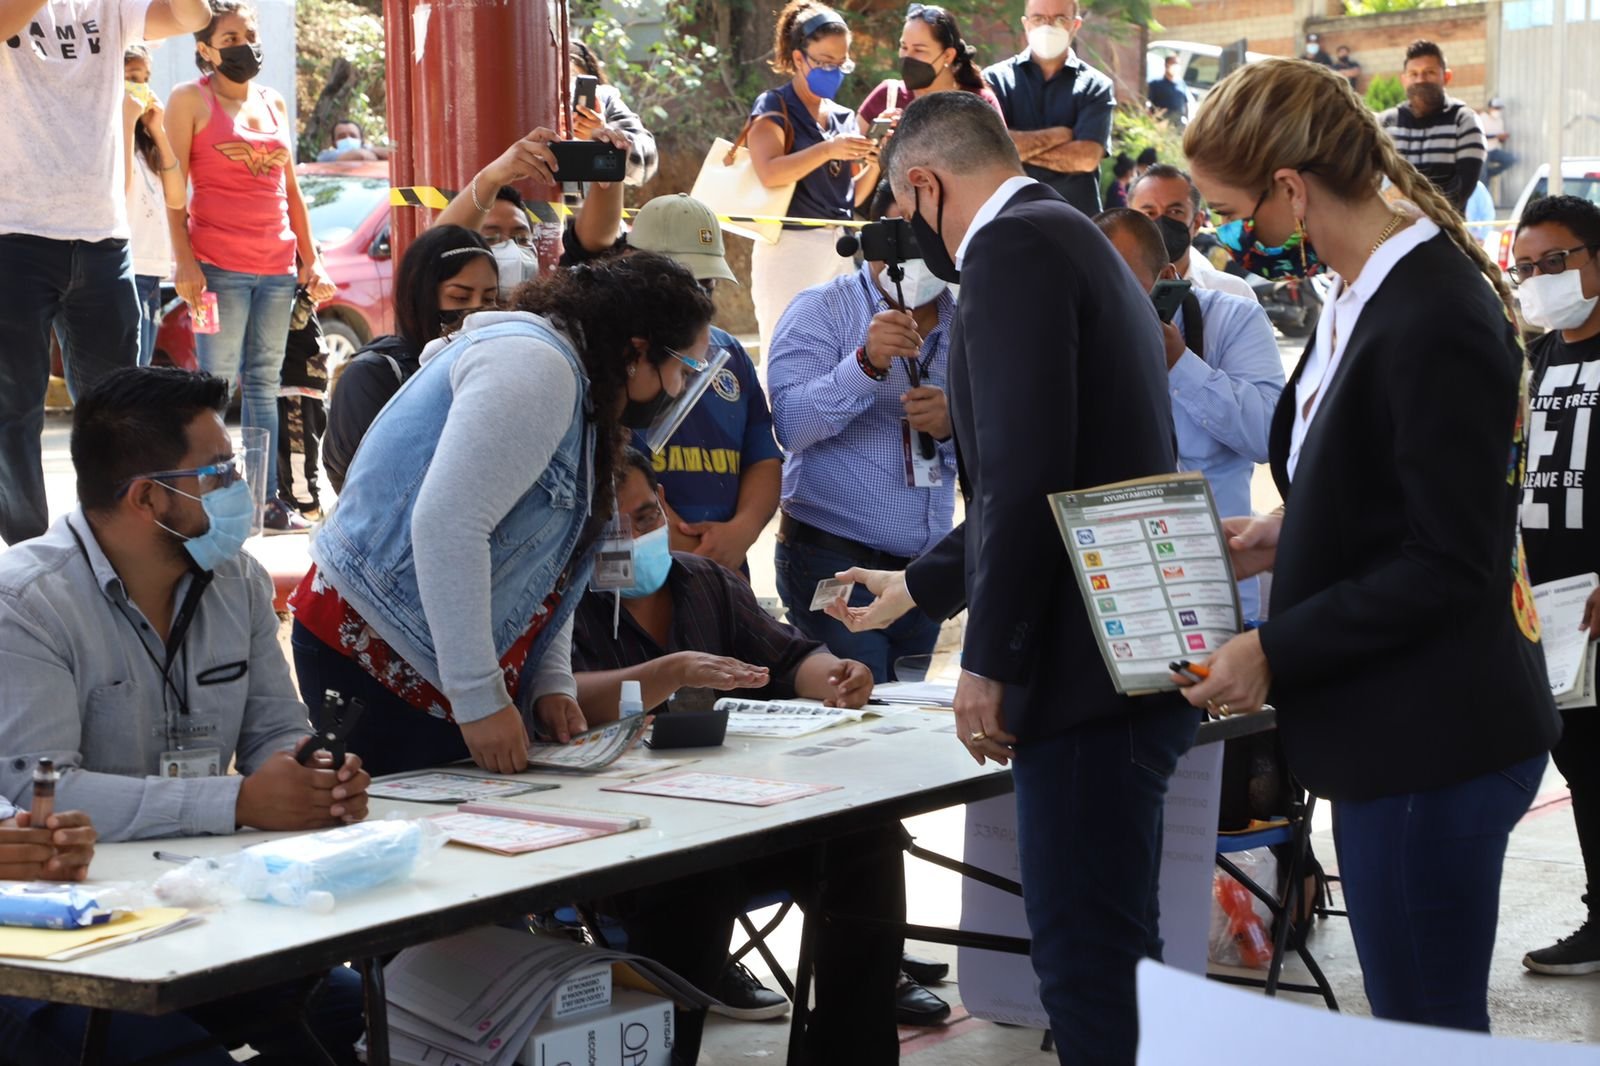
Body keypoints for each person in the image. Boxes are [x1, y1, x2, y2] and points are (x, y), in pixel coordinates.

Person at [1179, 58, 1559, 1032]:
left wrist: (1274, 649)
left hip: (1433, 735)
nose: (1229, 236)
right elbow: (1378, 483)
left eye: (1235, 211)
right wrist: (1278, 536)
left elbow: (1449, 559)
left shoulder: (1431, 312)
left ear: (1291, 189)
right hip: (1390, 725)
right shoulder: (1357, 290)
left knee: (1424, 1026)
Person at [837, 92, 1196, 1065]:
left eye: (904, 211)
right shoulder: (1068, 234)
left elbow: (1029, 468)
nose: (911, 235)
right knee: (1110, 954)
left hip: (1085, 674)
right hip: (1123, 652)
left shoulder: (1009, 251)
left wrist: (986, 661)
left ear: (923, 185)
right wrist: (921, 582)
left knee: (1088, 967)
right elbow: (1049, 470)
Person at [0, 366, 369, 1064]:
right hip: (72, 937)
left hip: (196, 904)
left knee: (360, 1010)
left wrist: (312, 770)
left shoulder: (238, 580)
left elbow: (271, 728)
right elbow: (40, 794)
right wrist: (238, 801)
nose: (239, 487)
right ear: (147, 498)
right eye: (219, 472)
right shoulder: (28, 602)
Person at [560, 449, 945, 1056]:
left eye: (645, 515)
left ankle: (853, 1048)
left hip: (746, 814)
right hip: (640, 843)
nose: (637, 536)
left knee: (865, 842)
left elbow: (790, 657)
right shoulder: (563, 605)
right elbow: (559, 698)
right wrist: (672, 672)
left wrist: (835, 674)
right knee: (691, 891)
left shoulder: (703, 580)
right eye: (616, 528)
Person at [290, 254, 717, 778]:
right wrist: (480, 700)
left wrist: (549, 682)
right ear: (637, 350)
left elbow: (548, 560)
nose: (678, 388)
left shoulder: (578, 382)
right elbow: (447, 526)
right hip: (376, 652)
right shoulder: (536, 366)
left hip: (431, 655)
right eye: (682, 368)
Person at [0, 0, 211, 546]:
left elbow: (191, 17)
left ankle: (108, 544)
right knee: (12, 411)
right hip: (13, 231)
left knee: (118, 413)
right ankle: (28, 553)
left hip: (103, 237)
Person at [767, 182, 957, 681]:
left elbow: (1000, 449)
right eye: (902, 233)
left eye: (928, 233)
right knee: (858, 702)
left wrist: (955, 427)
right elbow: (790, 427)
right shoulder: (820, 310)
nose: (916, 249)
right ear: (871, 237)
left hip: (922, 574)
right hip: (834, 560)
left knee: (902, 722)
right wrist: (865, 365)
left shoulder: (969, 325)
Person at [164, 1, 337, 533]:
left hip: (277, 268)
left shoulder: (274, 101)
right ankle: (214, 501)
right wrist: (185, 264)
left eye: (250, 33)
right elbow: (174, 196)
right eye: (231, 35)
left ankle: (262, 503)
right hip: (217, 268)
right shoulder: (188, 100)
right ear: (206, 49)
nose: (244, 44)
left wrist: (312, 258)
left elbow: (291, 191)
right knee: (214, 386)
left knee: (264, 384)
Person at [560, 192, 783, 574]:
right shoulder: (600, 358)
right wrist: (683, 544)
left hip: (725, 571)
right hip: (637, 570)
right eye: (680, 281)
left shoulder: (728, 353)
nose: (694, 298)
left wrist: (740, 532)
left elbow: (762, 456)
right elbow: (606, 469)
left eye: (706, 284)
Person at [1094, 208, 1284, 619]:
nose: (1107, 300)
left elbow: (1270, 436)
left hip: (1219, 579)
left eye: (1122, 284)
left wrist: (1180, 363)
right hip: (1121, 584)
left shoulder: (1234, 319)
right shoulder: (1084, 334)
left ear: (1166, 279)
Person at [1511, 196, 1600, 976]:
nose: (1541, 280)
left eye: (1556, 262)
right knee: (1581, 761)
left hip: (1599, 599)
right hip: (1550, 601)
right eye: (1526, 268)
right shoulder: (1539, 358)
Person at [322, 225, 498, 492]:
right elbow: (369, 494)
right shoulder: (372, 378)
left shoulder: (494, 368)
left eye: (490, 299)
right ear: (421, 298)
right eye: (460, 297)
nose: (477, 312)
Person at [746, 1, 879, 350]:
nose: (833, 71)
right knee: (785, 349)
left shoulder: (842, 116)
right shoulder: (774, 106)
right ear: (798, 58)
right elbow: (769, 172)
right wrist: (828, 150)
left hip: (839, 248)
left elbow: (849, 199)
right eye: (824, 62)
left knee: (843, 349)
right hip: (789, 248)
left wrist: (876, 163)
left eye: (841, 63)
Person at [982, 0, 1114, 217]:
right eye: (1039, 18)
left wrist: (1015, 150)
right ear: (1025, 24)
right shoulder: (994, 81)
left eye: (1060, 18)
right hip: (1008, 220)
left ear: (1075, 25)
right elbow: (990, 150)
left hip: (1075, 222)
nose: (1048, 26)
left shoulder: (1096, 85)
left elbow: (1086, 158)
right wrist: (1059, 135)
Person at [123, 45, 187, 368]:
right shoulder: (112, 137)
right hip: (124, 270)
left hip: (150, 272)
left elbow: (176, 197)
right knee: (126, 374)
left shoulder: (148, 143)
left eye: (145, 78)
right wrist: (125, 118)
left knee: (142, 368)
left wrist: (158, 130)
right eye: (132, 78)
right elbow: (122, 187)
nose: (142, 86)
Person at [1378, 40, 1487, 214]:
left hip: (1445, 234)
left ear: (1447, 76)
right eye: (1413, 74)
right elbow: (1372, 181)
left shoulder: (1464, 120)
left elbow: (1462, 188)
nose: (1421, 80)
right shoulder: (1384, 123)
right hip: (1391, 232)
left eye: (1429, 72)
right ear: (1404, 79)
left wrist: (1421, 217)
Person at [857, 3, 1002, 127]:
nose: (907, 56)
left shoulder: (980, 103)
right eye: (904, 47)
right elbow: (848, 158)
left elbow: (1000, 158)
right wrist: (875, 149)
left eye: (919, 50)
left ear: (948, 56)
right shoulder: (888, 96)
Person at [1129, 162, 1256, 300]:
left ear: (1197, 223)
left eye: (1175, 211)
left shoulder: (1235, 295)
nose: (1161, 221)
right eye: (1149, 213)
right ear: (1128, 223)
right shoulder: (1108, 293)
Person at [568, 41, 659, 187]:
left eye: (574, 81)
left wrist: (605, 138)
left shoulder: (605, 99)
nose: (565, 91)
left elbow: (648, 161)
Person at [1480, 97, 1516, 181]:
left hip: (1494, 151)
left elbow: (1500, 140)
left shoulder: (1499, 121)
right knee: (1483, 179)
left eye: (1499, 108)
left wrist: (1503, 138)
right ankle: (1485, 175)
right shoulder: (1482, 118)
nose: (1498, 110)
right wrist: (1496, 136)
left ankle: (1489, 173)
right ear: (1489, 108)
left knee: (1512, 159)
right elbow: (1479, 135)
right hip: (1483, 151)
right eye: (1496, 108)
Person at [314, 118, 381, 162]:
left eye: (353, 136)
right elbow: (361, 155)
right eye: (341, 137)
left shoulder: (367, 149)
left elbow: (390, 153)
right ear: (333, 143)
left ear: (361, 140)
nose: (348, 139)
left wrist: (369, 149)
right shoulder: (325, 156)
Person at [1147, 53, 1187, 121]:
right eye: (1173, 63)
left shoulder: (1181, 83)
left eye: (1177, 64)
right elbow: (1147, 103)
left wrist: (1187, 119)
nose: (1176, 66)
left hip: (1178, 124)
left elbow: (1185, 103)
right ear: (1166, 65)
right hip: (1161, 122)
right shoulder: (1155, 83)